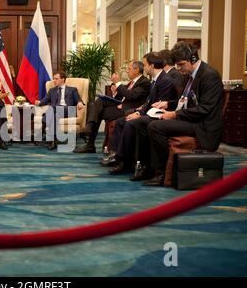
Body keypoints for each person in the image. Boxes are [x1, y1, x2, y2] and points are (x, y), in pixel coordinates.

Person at [143, 41, 224, 186]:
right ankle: (149, 168)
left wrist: (174, 115)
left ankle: (161, 173)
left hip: (203, 126)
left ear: (193, 59)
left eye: (181, 64)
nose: (179, 69)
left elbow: (205, 109)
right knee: (148, 122)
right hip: (190, 120)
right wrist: (168, 104)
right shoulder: (189, 75)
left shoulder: (209, 75)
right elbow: (185, 102)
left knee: (155, 127)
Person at [105, 52, 177, 175]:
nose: (144, 68)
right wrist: (139, 112)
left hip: (159, 116)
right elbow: (149, 102)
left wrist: (140, 114)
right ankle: (120, 158)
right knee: (122, 121)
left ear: (152, 66)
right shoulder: (156, 79)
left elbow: (159, 106)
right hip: (149, 112)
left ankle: (124, 162)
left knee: (129, 122)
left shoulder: (165, 80)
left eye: (145, 64)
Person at [73, 60, 150, 153]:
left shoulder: (144, 82)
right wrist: (115, 93)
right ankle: (90, 136)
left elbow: (131, 95)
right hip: (121, 105)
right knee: (99, 102)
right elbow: (122, 97)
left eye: (129, 69)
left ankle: (90, 138)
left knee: (98, 112)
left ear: (136, 70)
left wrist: (118, 83)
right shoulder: (132, 82)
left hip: (129, 110)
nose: (127, 71)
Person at [35, 71, 84, 150]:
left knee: (52, 109)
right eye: (54, 79)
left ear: (63, 79)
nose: (54, 80)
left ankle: (42, 129)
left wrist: (79, 103)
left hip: (68, 110)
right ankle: (53, 141)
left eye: (56, 79)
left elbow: (78, 99)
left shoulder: (72, 90)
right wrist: (39, 102)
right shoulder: (52, 90)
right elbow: (45, 100)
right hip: (56, 111)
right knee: (54, 114)